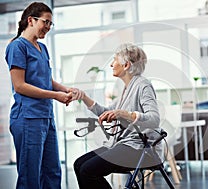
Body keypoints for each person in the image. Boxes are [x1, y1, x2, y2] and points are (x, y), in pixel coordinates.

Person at [5, 2, 79, 189]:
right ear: (31, 20)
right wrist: (55, 96)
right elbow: (20, 86)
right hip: (28, 117)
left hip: (46, 117)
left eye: (50, 24)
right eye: (45, 22)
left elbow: (48, 80)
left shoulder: (42, 48)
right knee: (31, 176)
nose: (47, 27)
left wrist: (65, 90)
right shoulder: (17, 47)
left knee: (53, 171)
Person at [73, 43, 162, 189]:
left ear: (126, 65)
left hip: (139, 149)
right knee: (79, 164)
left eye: (114, 60)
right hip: (123, 144)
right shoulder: (126, 89)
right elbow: (106, 112)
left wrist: (124, 114)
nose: (112, 64)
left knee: (88, 170)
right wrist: (84, 97)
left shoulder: (143, 85)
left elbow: (154, 119)